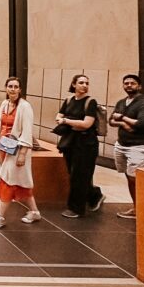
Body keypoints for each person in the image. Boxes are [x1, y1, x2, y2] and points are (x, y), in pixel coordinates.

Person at [0, 77, 41, 228]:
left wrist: (23, 153)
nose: (13, 89)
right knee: (21, 182)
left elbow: (27, 130)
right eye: (10, 86)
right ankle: (35, 212)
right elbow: (1, 127)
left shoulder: (25, 107)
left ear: (20, 89)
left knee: (7, 180)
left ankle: (0, 217)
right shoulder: (4, 104)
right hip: (5, 147)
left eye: (16, 86)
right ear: (6, 88)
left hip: (18, 150)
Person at [55, 75, 105, 218]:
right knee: (74, 174)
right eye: (81, 82)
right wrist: (66, 120)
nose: (84, 85)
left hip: (86, 144)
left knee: (80, 176)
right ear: (74, 84)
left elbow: (87, 124)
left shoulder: (91, 102)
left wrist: (65, 120)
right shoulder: (69, 100)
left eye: (87, 83)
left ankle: (76, 209)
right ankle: (95, 195)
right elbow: (58, 116)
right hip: (71, 142)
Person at [109, 74, 144, 219]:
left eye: (133, 83)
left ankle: (141, 209)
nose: (129, 85)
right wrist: (125, 124)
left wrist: (122, 118)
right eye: (126, 83)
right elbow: (111, 120)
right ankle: (136, 207)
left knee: (135, 179)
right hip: (122, 144)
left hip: (139, 146)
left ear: (139, 86)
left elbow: (142, 124)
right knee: (129, 177)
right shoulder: (121, 102)